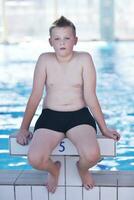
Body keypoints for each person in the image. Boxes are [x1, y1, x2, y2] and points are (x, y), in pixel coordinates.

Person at [16, 16, 120, 193]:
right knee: (34, 159)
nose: (62, 43)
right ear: (50, 42)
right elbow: (35, 96)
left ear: (75, 40)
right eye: (57, 39)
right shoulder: (44, 60)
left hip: (78, 116)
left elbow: (90, 96)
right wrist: (24, 128)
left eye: (67, 38)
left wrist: (104, 128)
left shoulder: (84, 59)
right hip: (50, 116)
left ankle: (82, 168)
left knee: (92, 155)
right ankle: (54, 169)